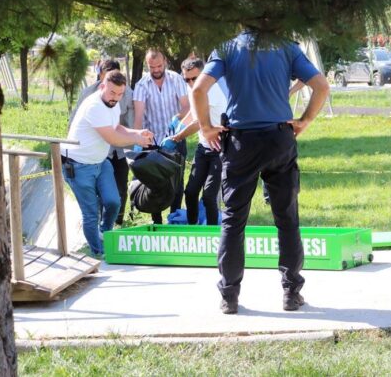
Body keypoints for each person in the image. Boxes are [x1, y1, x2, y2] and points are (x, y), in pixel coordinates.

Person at [192, 33, 330, 314]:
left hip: (241, 142)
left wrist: (206, 127)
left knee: (233, 220)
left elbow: (198, 89)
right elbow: (321, 86)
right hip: (279, 138)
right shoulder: (287, 48)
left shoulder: (227, 48)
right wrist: (304, 121)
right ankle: (291, 293)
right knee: (287, 217)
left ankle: (229, 296)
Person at [61, 71, 153, 256]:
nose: (116, 98)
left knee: (113, 202)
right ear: (102, 86)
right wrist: (138, 141)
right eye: (112, 93)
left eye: (120, 94)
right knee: (91, 213)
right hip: (78, 165)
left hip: (100, 162)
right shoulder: (94, 106)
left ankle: (104, 234)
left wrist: (137, 133)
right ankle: (100, 252)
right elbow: (112, 138)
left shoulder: (112, 103)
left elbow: (116, 127)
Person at [164, 57, 228, 225]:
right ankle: (193, 232)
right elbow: (193, 113)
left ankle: (213, 234)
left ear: (204, 74)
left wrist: (177, 137)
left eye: (195, 78)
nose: (191, 83)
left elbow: (199, 123)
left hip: (220, 150)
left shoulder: (210, 90)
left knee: (208, 196)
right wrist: (180, 123)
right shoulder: (193, 89)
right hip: (203, 148)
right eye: (187, 79)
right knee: (191, 192)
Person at [74, 59, 136, 226]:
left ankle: (117, 222)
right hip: (97, 150)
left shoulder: (127, 92)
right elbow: (75, 119)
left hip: (120, 148)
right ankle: (100, 225)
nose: (116, 95)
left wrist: (134, 141)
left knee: (120, 186)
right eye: (107, 75)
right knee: (99, 190)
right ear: (101, 75)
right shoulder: (88, 94)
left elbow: (129, 122)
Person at [133, 49, 190, 224]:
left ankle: (174, 218)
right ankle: (157, 221)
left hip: (176, 138)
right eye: (152, 67)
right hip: (153, 141)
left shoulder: (176, 79)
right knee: (154, 183)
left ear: (164, 61)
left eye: (159, 66)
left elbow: (186, 107)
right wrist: (137, 139)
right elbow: (139, 117)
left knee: (177, 182)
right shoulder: (142, 85)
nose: (156, 70)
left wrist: (177, 124)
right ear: (147, 65)